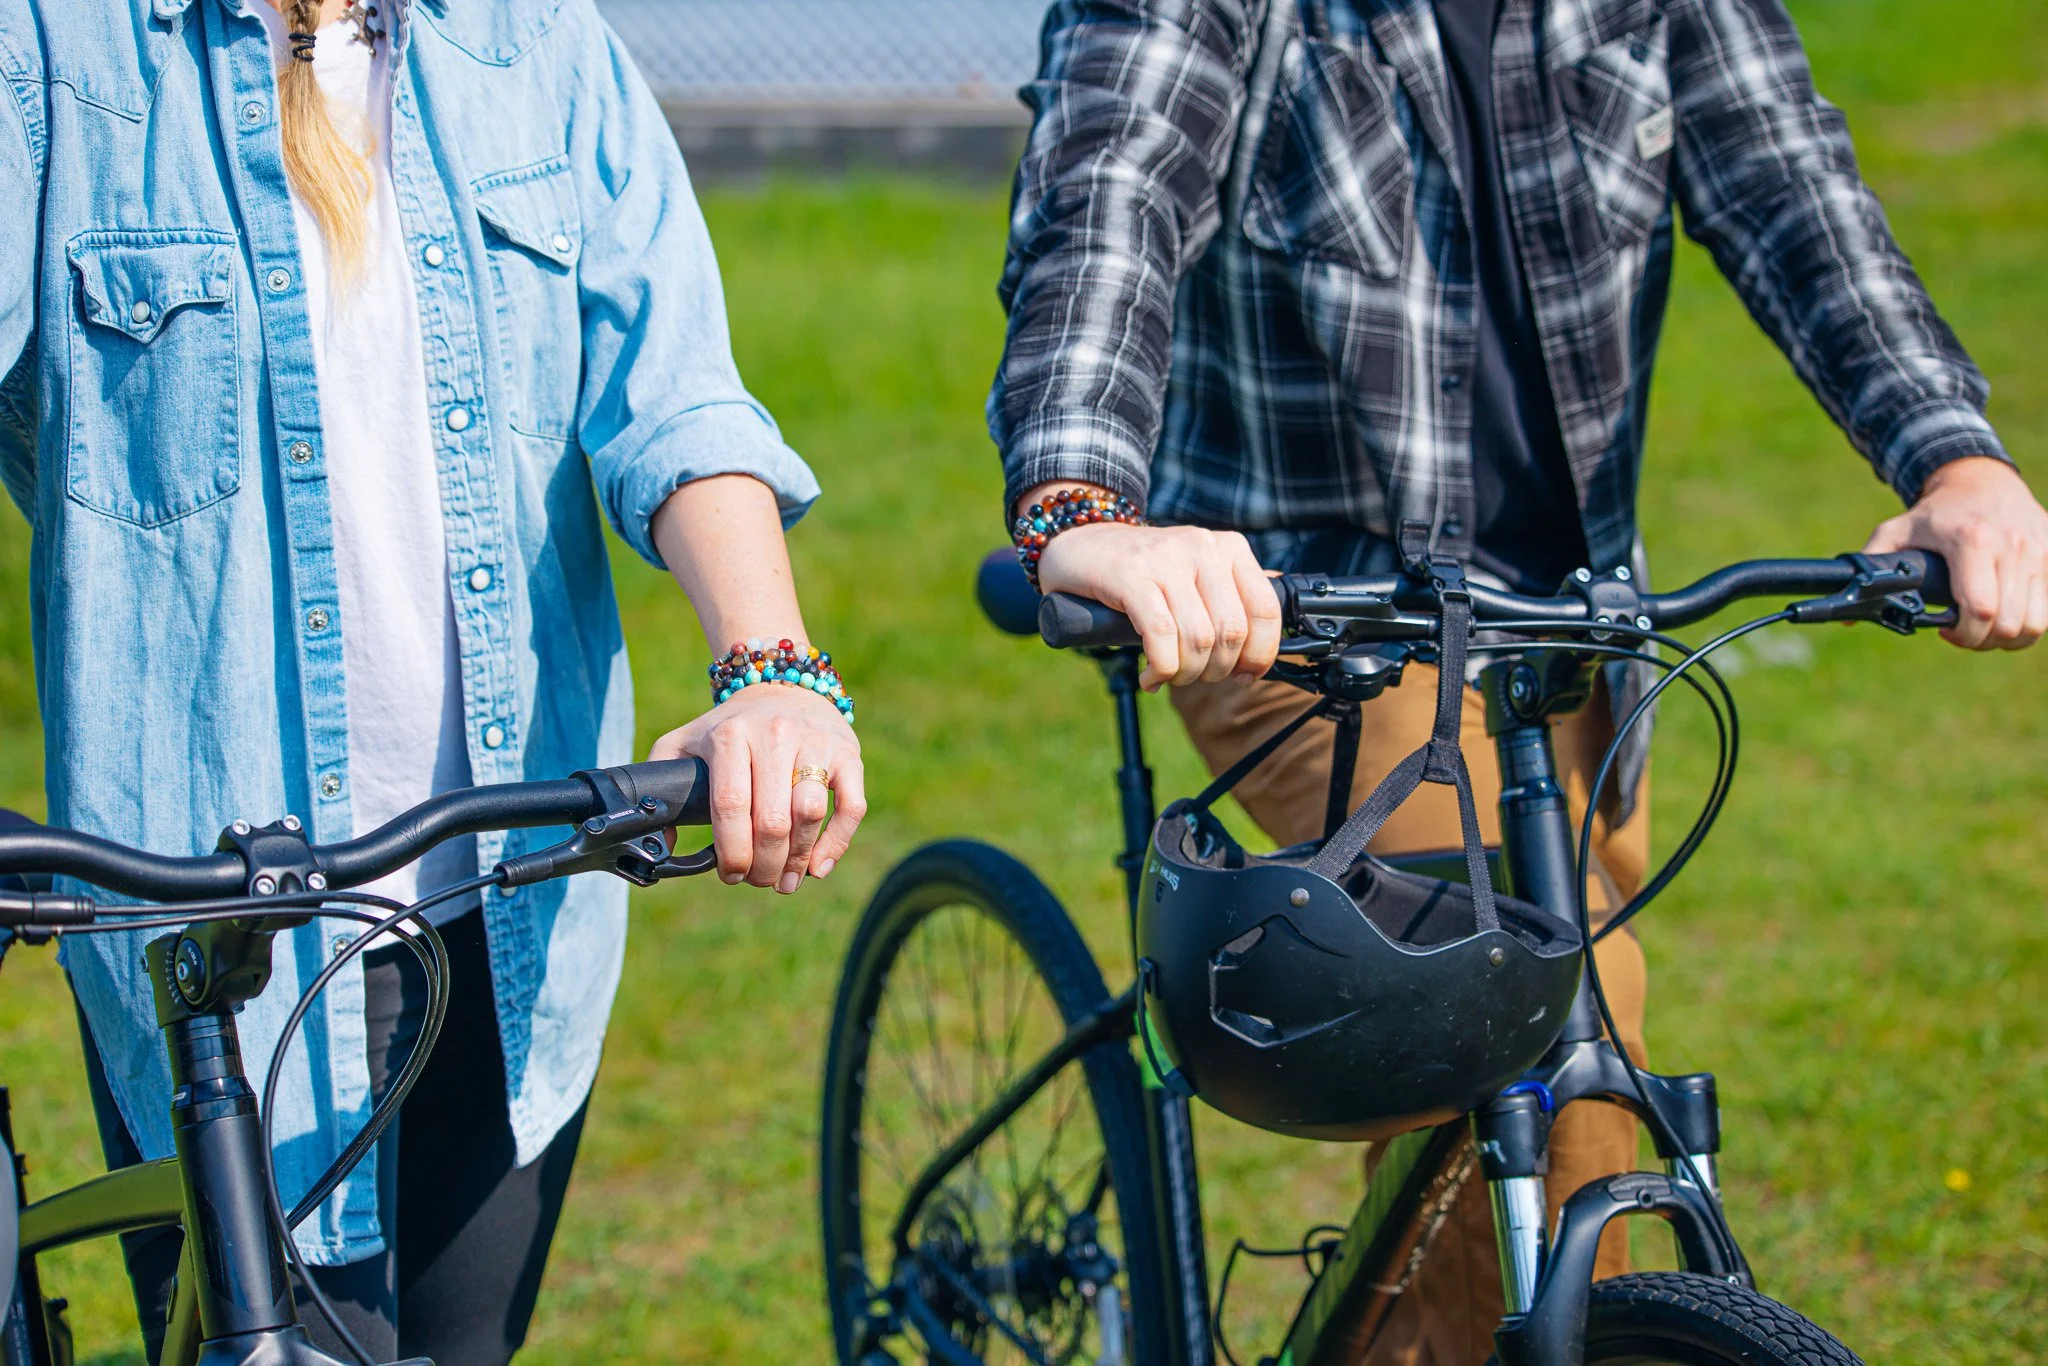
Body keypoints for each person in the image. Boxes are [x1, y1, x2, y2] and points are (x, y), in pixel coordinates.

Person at [991, 0, 2048, 1361]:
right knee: (1546, 1021)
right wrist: (1087, 506)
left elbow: (1792, 189)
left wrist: (1953, 459)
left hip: (1579, 622)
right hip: (1305, 621)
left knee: (1495, 1092)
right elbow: (1110, 192)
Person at [0, 0, 864, 1362]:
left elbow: (676, 395)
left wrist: (771, 666)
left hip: (505, 904)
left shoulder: (539, 43)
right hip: (214, 952)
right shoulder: (58, 48)